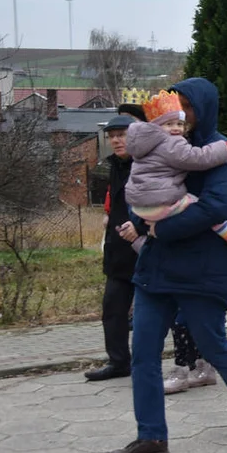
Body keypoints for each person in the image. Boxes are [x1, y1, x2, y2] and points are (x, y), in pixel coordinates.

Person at [105, 78, 227, 453]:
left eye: (188, 109)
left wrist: (159, 228)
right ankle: (151, 437)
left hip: (200, 267)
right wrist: (143, 222)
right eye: (176, 109)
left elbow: (215, 206)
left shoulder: (222, 152)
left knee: (212, 345)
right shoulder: (158, 144)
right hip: (157, 268)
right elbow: (141, 190)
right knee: (143, 351)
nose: (181, 116)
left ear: (203, 109)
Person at [124, 90, 227, 256]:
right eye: (169, 124)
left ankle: (143, 245)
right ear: (157, 126)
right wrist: (224, 149)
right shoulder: (171, 143)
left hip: (139, 207)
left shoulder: (144, 144)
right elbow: (197, 158)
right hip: (161, 203)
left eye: (179, 124)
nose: (175, 129)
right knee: (196, 204)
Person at [85, 115, 139, 382]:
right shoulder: (113, 166)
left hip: (145, 250)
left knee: (165, 312)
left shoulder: (146, 164)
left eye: (122, 134)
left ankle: (192, 360)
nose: (117, 140)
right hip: (118, 252)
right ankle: (119, 362)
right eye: (112, 135)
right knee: (113, 308)